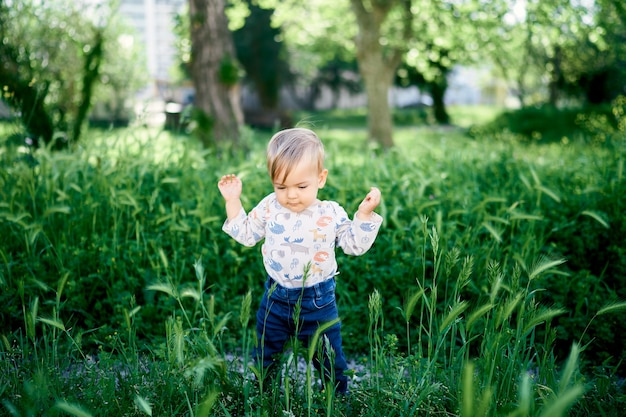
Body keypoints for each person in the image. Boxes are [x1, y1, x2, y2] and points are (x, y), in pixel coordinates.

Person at [217, 127, 382, 394]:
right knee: (265, 354)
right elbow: (247, 234)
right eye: (281, 186)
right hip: (275, 297)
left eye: (301, 186)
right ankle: (263, 396)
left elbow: (354, 246)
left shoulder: (330, 213)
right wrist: (233, 201)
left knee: (328, 356)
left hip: (318, 300)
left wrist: (363, 214)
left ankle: (336, 398)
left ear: (321, 178)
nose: (291, 195)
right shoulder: (270, 207)